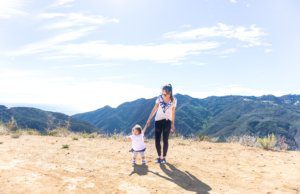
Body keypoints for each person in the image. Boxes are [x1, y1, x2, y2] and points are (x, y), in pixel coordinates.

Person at [144, 84, 177, 164]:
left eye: (165, 94)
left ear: (169, 93)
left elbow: (173, 112)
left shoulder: (174, 100)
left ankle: (164, 157)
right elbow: (155, 109)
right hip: (158, 120)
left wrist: (172, 124)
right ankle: (159, 157)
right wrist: (149, 119)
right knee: (157, 140)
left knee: (165, 140)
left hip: (167, 121)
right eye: (162, 93)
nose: (163, 95)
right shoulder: (159, 98)